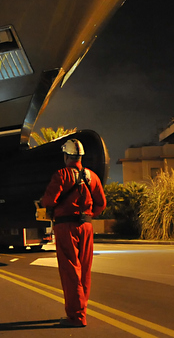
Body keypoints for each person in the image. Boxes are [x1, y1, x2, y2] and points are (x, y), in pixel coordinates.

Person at [41, 138, 106, 328]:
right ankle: (80, 311)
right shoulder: (92, 176)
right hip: (86, 227)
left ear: (66, 156)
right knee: (84, 271)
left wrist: (46, 204)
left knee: (70, 270)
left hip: (66, 227)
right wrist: (87, 215)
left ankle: (76, 316)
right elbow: (101, 203)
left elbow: (48, 201)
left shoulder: (61, 175)